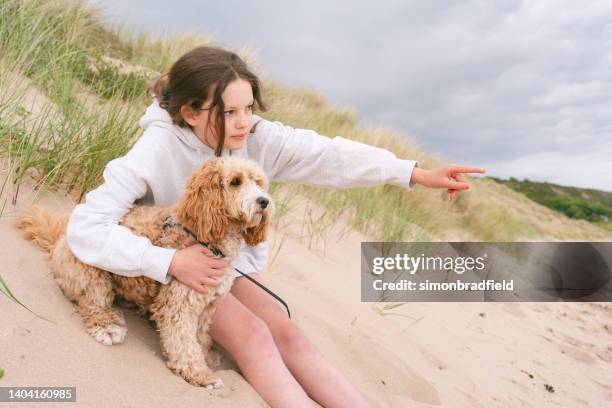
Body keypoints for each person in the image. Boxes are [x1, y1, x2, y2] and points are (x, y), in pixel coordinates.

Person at [66, 45, 486, 407]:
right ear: (191, 112)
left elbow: (330, 155)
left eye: (249, 108)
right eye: (229, 112)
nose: (244, 121)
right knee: (254, 335)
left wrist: (414, 173)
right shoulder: (156, 147)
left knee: (288, 333)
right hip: (173, 268)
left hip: (228, 261)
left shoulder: (255, 136)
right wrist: (167, 261)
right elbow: (86, 226)